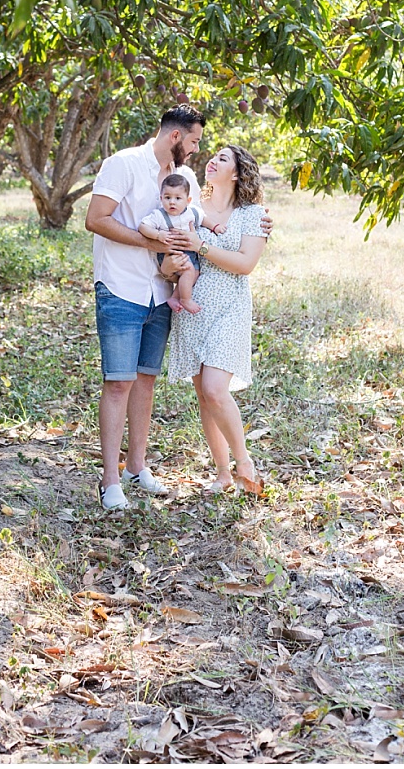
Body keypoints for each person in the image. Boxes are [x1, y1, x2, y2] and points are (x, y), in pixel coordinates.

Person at [85, 106, 206, 511]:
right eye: (193, 141)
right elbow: (95, 219)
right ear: (175, 137)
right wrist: (151, 245)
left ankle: (137, 467)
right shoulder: (123, 164)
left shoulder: (184, 179)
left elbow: (200, 222)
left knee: (145, 380)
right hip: (120, 287)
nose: (195, 149)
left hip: (162, 292)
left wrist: (256, 220)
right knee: (118, 382)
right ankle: (110, 481)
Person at [166, 144, 269, 495]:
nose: (213, 160)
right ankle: (223, 473)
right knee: (204, 395)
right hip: (194, 305)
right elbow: (172, 249)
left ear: (237, 173)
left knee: (215, 388)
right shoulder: (192, 209)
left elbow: (245, 264)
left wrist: (201, 247)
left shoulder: (254, 214)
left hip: (230, 307)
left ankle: (245, 465)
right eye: (214, 156)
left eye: (223, 159)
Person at [138, 173, 210, 315]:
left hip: (189, 252)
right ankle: (185, 299)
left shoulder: (192, 212)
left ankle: (174, 297)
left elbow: (204, 219)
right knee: (189, 270)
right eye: (167, 197)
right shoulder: (159, 215)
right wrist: (158, 235)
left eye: (178, 198)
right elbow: (143, 227)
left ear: (188, 200)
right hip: (170, 253)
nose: (172, 202)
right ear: (161, 198)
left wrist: (215, 227)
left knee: (194, 273)